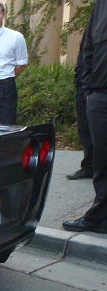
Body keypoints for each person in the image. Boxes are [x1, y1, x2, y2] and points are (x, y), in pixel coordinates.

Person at [63, 0, 107, 234]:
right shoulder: (101, 6)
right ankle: (100, 217)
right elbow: (88, 49)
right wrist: (89, 89)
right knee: (102, 158)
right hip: (100, 94)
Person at [67, 29, 94, 180]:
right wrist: (79, 79)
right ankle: (89, 167)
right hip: (83, 86)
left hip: (97, 87)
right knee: (84, 129)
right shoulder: (91, 27)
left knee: (99, 132)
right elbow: (83, 55)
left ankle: (100, 169)